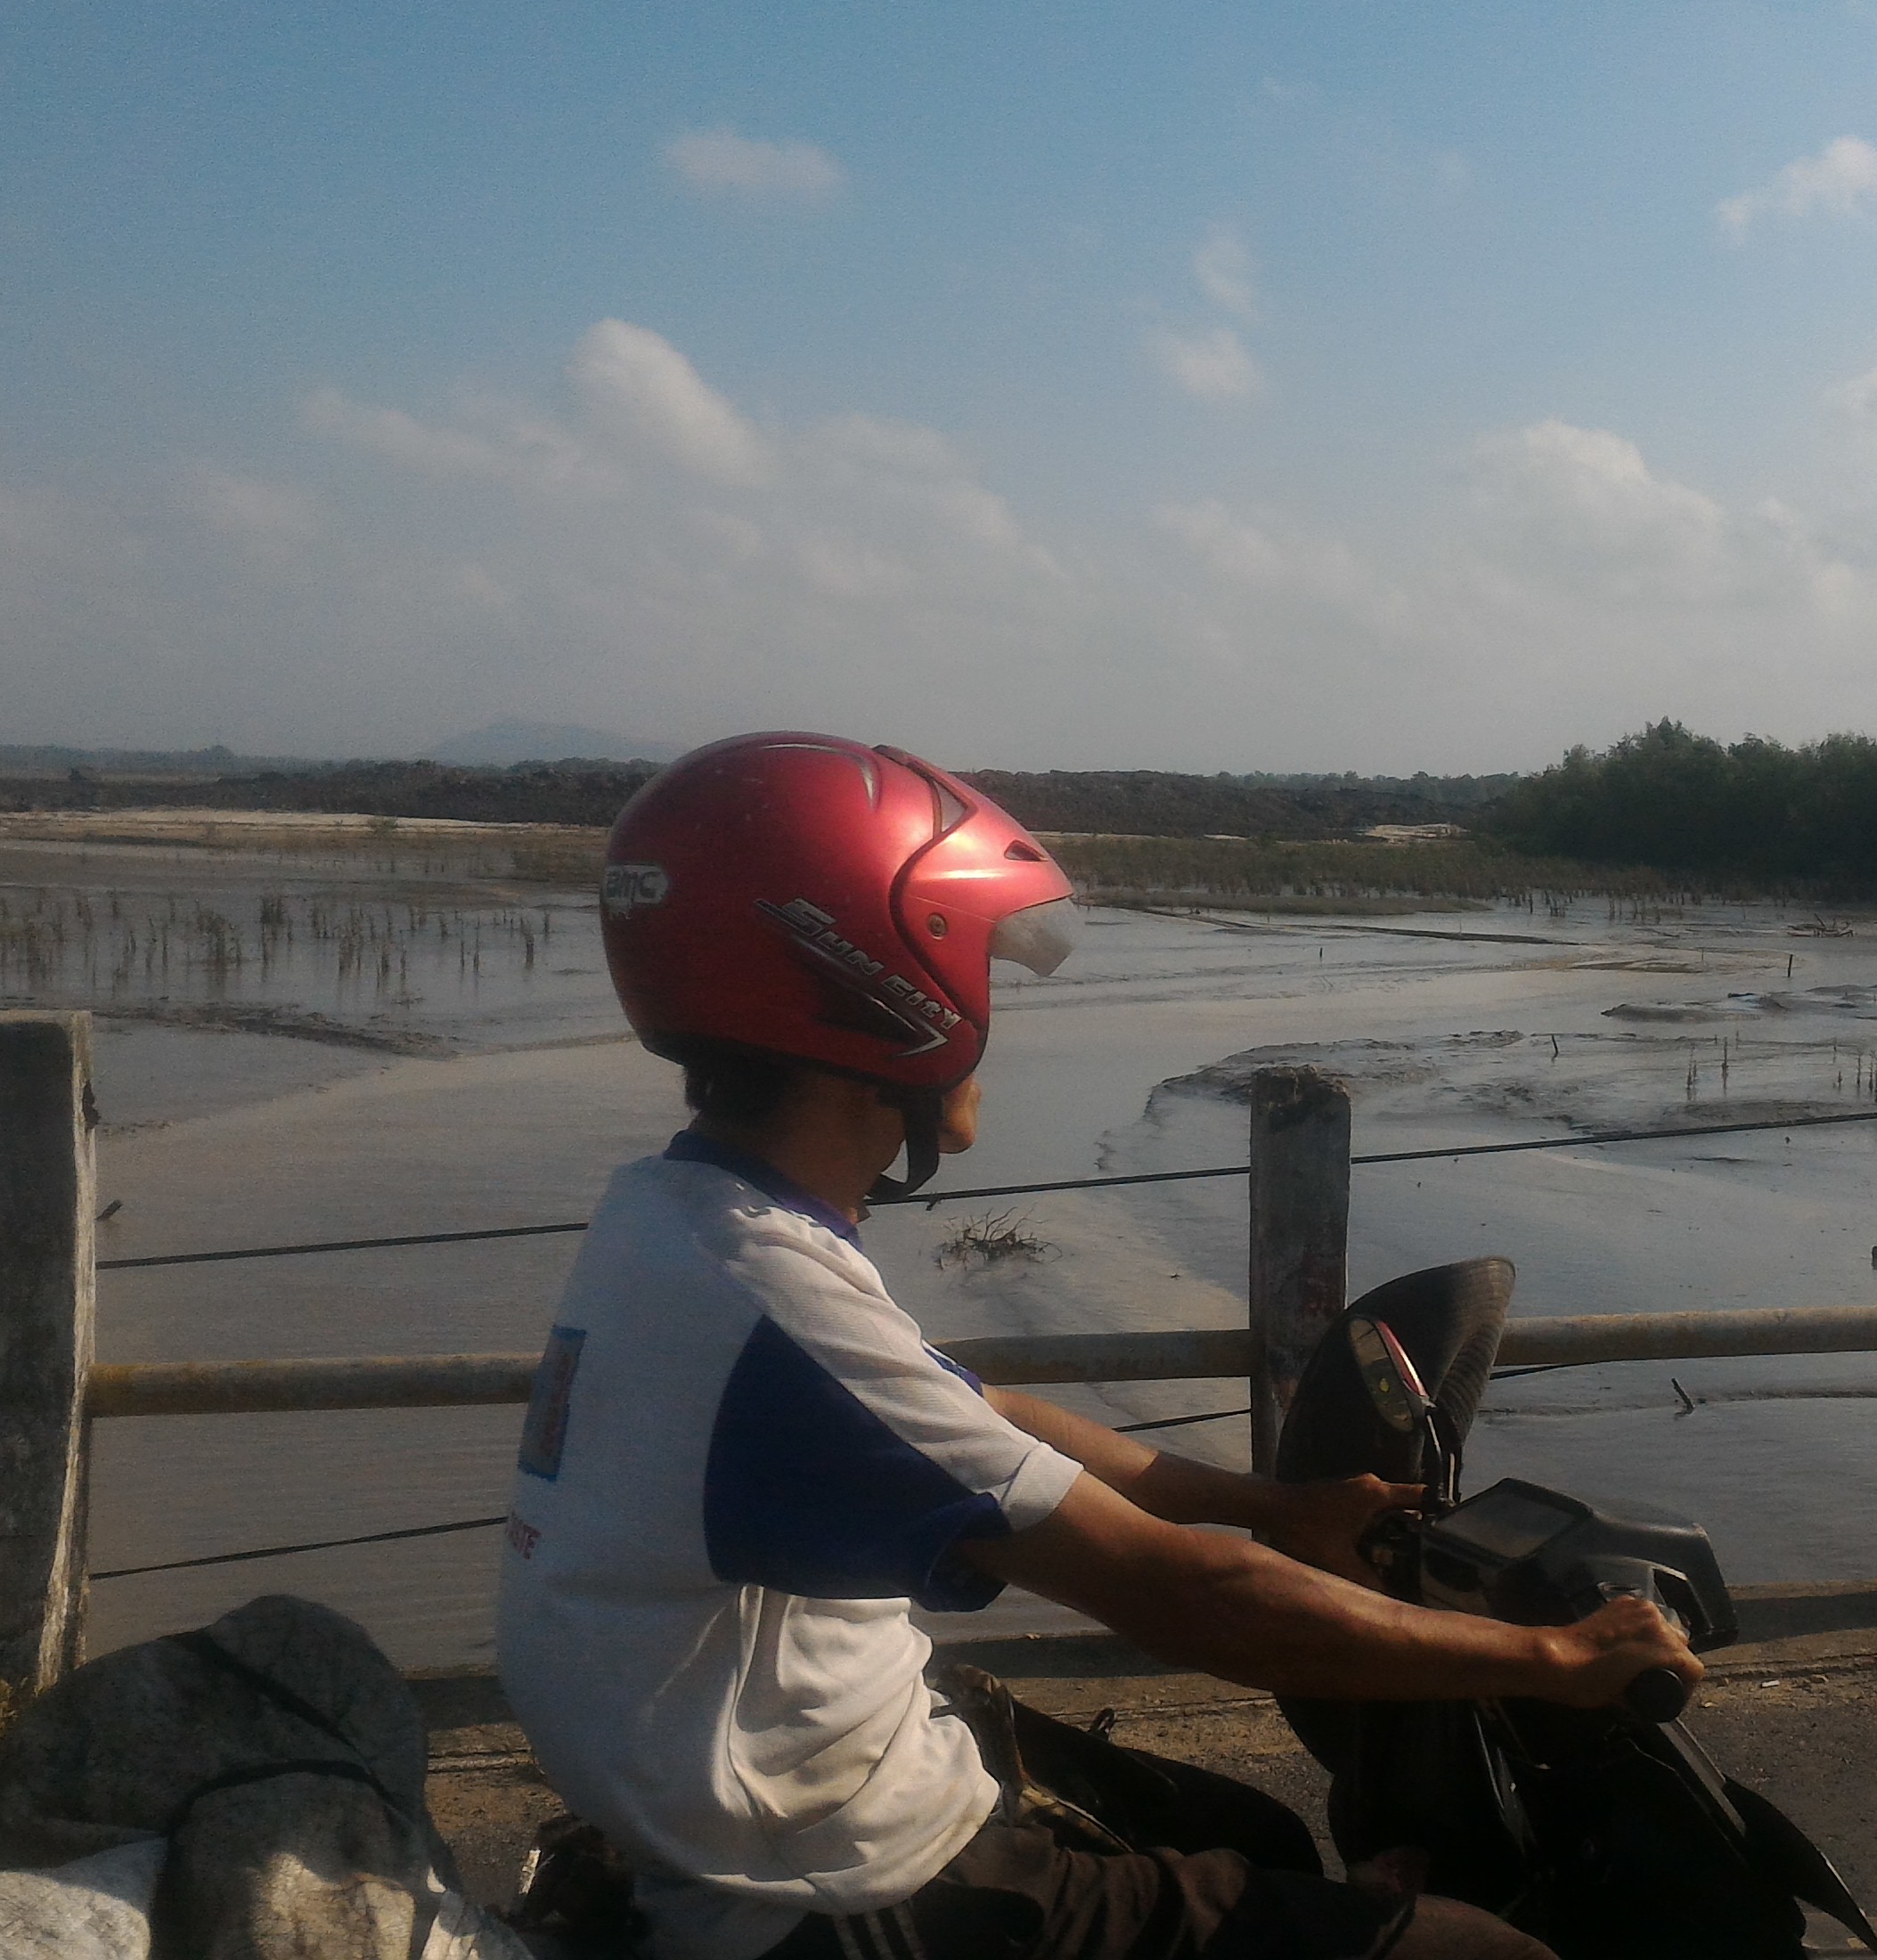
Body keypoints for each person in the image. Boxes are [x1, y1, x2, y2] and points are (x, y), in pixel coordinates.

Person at [497, 733, 1698, 1960]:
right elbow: (1192, 1603)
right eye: (981, 969)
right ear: (893, 984)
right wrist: (1556, 1657)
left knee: (1264, 1846)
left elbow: (993, 1416)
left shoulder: (677, 1225)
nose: (992, 1017)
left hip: (762, 1839)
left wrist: (1264, 1505)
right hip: (844, 1904)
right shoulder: (769, 1305)